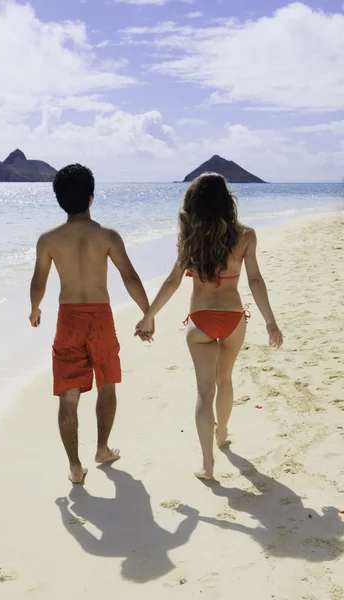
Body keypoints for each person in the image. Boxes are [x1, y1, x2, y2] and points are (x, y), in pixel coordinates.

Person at [136, 173, 283, 481]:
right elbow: (255, 280)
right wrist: (270, 322)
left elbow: (173, 282)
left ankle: (207, 465)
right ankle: (223, 432)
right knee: (225, 380)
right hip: (232, 319)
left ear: (194, 202)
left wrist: (150, 315)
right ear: (227, 201)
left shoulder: (191, 237)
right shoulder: (246, 235)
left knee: (205, 392)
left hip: (200, 320)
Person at [29, 164, 152, 484]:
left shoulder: (48, 240)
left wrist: (35, 309)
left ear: (59, 200)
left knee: (68, 396)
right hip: (100, 318)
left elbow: (38, 282)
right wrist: (147, 313)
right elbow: (130, 277)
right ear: (91, 198)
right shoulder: (107, 236)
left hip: (67, 319)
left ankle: (74, 467)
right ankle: (101, 449)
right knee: (107, 383)